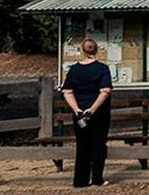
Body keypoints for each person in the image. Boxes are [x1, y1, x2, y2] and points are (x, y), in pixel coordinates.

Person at [62, 38, 112, 187]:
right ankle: (97, 178)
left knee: (82, 145)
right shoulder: (102, 69)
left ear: (82, 51)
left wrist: (77, 109)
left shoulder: (74, 69)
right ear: (96, 50)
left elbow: (67, 91)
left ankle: (80, 180)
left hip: (79, 114)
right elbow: (105, 91)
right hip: (99, 114)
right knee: (98, 144)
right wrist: (92, 109)